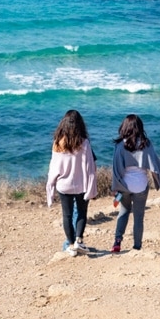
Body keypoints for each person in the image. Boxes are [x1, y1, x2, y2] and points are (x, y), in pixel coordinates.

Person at [111, 114, 160, 252]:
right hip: (141, 185)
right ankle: (137, 246)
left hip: (125, 185)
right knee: (139, 216)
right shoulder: (146, 144)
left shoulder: (120, 145)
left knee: (124, 211)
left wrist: (115, 188)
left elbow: (116, 169)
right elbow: (154, 165)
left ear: (124, 127)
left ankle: (117, 241)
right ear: (140, 127)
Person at [46, 110, 97, 257]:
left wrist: (50, 188)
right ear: (80, 125)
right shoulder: (85, 143)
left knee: (67, 215)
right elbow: (89, 166)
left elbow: (53, 168)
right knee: (82, 212)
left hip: (64, 185)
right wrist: (92, 187)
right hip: (81, 185)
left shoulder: (57, 144)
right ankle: (79, 241)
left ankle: (70, 244)